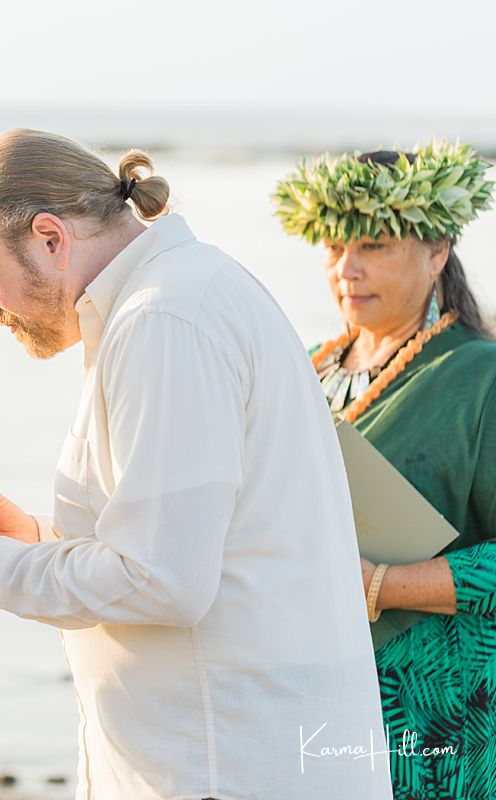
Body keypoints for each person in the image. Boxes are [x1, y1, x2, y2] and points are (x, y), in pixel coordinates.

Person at [0, 129, 392, 799]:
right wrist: (28, 540)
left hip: (226, 767)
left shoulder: (165, 323)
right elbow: (189, 545)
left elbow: (165, 581)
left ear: (49, 238)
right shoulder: (178, 295)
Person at [274, 142, 496, 797]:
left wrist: (381, 585)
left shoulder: (479, 378)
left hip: (432, 718)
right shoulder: (306, 367)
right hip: (303, 697)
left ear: (437, 253)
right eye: (334, 247)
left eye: (373, 245)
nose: (347, 269)